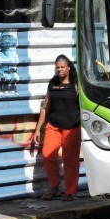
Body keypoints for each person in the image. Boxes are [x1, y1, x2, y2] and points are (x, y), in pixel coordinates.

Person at [33, 54, 81, 201]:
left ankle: (70, 191)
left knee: (70, 160)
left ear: (68, 68)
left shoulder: (76, 83)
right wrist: (38, 128)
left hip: (72, 127)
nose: (59, 70)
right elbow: (45, 106)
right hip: (54, 126)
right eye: (57, 67)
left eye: (62, 67)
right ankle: (55, 188)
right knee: (47, 155)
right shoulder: (52, 83)